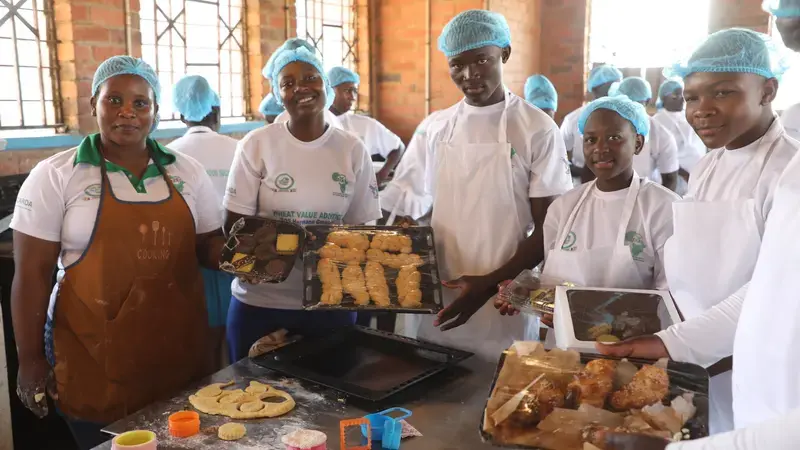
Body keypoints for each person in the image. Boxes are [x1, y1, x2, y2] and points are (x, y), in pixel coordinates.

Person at [10, 56, 226, 449]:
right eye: (114, 101)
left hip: (177, 352)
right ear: (94, 103)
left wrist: (243, 257)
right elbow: (31, 275)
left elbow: (208, 245)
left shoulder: (186, 171)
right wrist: (29, 362)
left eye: (141, 103)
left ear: (156, 111)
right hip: (93, 355)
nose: (127, 112)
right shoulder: (58, 175)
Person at [595, 27, 796, 437]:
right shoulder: (708, 166)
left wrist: (682, 347)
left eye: (722, 92)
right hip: (692, 350)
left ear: (768, 90)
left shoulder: (786, 172)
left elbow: (772, 294)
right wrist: (668, 338)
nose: (701, 109)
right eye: (691, 97)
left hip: (751, 361)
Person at [383, 10, 572, 361]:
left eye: (482, 59)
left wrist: (487, 284)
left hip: (503, 293)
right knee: (430, 387)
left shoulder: (536, 127)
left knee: (495, 395)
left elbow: (550, 227)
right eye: (457, 64)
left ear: (505, 54)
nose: (469, 75)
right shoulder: (435, 127)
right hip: (437, 287)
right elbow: (403, 206)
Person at [223, 41, 382, 362]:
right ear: (277, 94)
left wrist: (330, 244)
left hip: (330, 299)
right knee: (249, 398)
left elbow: (364, 227)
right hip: (261, 302)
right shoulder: (258, 145)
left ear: (326, 84)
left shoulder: (351, 149)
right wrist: (287, 243)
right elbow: (234, 227)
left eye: (310, 78)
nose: (301, 88)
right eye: (288, 83)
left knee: (333, 399)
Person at [495, 96, 679, 342]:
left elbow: (670, 299)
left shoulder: (663, 207)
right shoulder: (565, 207)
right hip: (562, 347)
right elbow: (552, 282)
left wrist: (596, 318)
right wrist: (525, 291)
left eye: (614, 137)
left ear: (638, 142)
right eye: (591, 139)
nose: (600, 148)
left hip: (631, 349)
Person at [168, 74, 237, 367]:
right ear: (217, 111)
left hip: (187, 260)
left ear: (181, 115)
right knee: (233, 341)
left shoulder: (168, 154)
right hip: (235, 255)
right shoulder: (238, 148)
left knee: (198, 341)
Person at [327, 66, 405, 186]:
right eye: (347, 90)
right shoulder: (316, 124)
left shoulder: (364, 124)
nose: (353, 97)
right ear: (330, 91)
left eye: (354, 91)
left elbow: (397, 147)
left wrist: (381, 175)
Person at [611, 77, 680, 192]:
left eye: (636, 104)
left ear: (647, 102)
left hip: (646, 197)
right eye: (625, 104)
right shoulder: (606, 128)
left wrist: (660, 206)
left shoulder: (661, 135)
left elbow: (670, 179)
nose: (630, 109)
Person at [561, 65, 624, 184]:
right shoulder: (573, 119)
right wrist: (580, 171)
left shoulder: (627, 118)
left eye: (617, 86)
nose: (613, 90)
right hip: (581, 185)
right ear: (594, 90)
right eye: (608, 87)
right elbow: (557, 156)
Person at [653, 78, 707, 194]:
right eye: (675, 95)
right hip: (675, 176)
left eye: (683, 95)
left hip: (698, 174)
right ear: (664, 98)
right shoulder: (658, 121)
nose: (681, 99)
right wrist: (684, 174)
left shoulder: (689, 116)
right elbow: (663, 154)